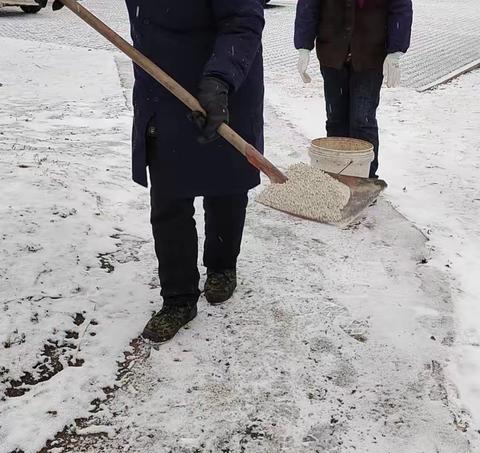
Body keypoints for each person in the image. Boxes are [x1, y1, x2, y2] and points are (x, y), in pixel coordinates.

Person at [41, 0, 265, 343]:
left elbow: (243, 20)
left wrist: (219, 79)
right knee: (168, 196)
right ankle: (178, 298)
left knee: (225, 187)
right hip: (161, 91)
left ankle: (222, 265)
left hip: (219, 86)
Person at [294, 0, 413, 178]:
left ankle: (365, 178)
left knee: (362, 121)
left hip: (370, 55)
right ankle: (336, 176)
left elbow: (401, 7)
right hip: (332, 53)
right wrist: (303, 46)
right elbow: (308, 5)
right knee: (336, 119)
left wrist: (395, 51)